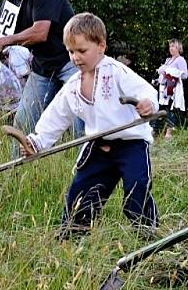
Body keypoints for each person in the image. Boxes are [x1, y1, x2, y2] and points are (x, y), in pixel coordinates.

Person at [20, 13, 158, 235]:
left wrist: (147, 104)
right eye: (71, 52)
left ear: (101, 45)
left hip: (131, 144)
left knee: (137, 187)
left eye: (82, 51)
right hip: (98, 146)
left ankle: (146, 233)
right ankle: (73, 234)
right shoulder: (73, 85)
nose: (76, 57)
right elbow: (56, 116)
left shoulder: (116, 72)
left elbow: (144, 90)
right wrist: (36, 142)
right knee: (82, 193)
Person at [0, 0, 80, 134]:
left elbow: (40, 33)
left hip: (71, 61)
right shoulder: (8, 3)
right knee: (23, 122)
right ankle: (16, 161)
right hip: (42, 68)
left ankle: (88, 159)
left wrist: (3, 41)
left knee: (81, 116)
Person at [157, 39, 188, 140]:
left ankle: (170, 132)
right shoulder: (168, 60)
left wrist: (172, 72)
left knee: (171, 109)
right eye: (170, 46)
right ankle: (160, 130)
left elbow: (185, 75)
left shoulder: (180, 60)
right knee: (163, 108)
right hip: (164, 88)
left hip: (173, 88)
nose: (171, 48)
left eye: (173, 46)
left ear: (178, 48)